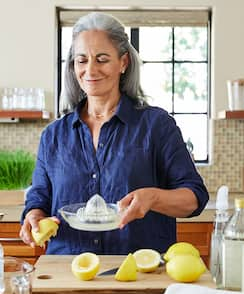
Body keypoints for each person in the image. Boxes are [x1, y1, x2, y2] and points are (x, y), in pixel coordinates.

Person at [19, 12, 209, 255]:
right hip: (68, 273)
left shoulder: (157, 126)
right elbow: (39, 200)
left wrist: (153, 197)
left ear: (123, 62)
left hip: (140, 274)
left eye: (102, 59)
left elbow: (195, 197)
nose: (90, 69)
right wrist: (34, 217)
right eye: (81, 60)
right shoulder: (53, 136)